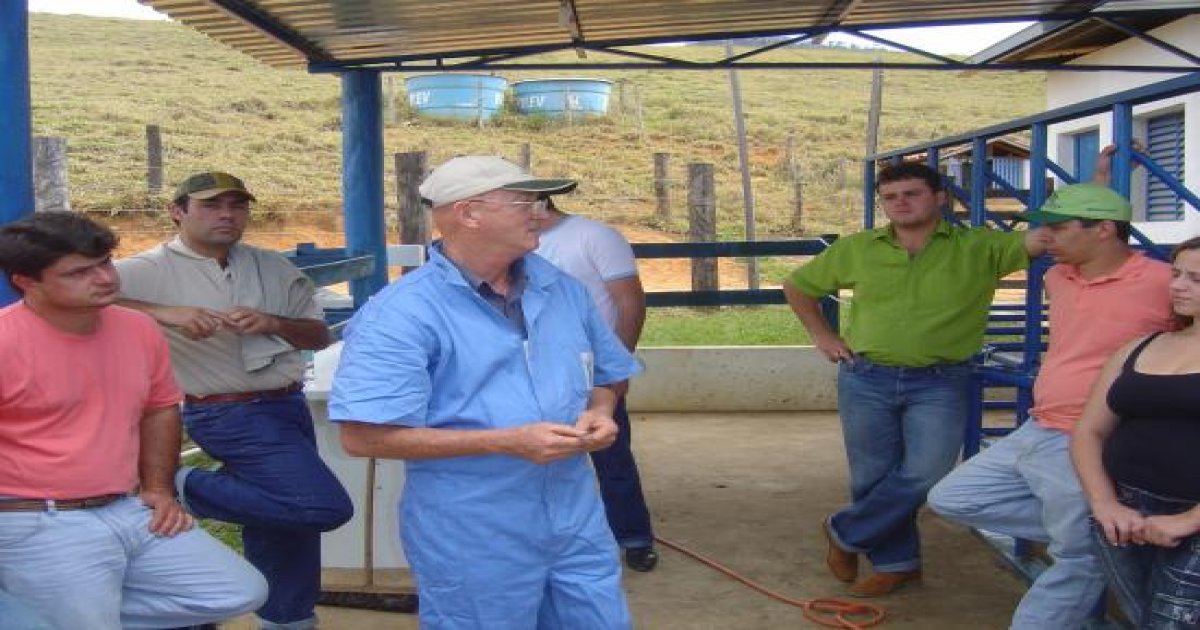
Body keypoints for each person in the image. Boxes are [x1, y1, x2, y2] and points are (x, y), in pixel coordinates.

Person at [329, 155, 642, 628]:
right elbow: (362, 437)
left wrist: (602, 409)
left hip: (573, 516)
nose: (540, 212)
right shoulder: (401, 314)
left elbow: (606, 374)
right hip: (473, 531)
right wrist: (505, 441)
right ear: (469, 214)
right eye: (525, 202)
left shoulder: (562, 289)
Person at [783, 161, 1045, 597]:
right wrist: (822, 334)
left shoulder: (982, 247)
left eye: (912, 193)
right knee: (871, 475)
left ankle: (845, 531)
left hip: (941, 380)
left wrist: (1097, 181)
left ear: (939, 197)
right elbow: (798, 286)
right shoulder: (859, 247)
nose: (900, 202)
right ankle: (897, 563)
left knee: (928, 473)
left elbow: (1047, 235)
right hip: (866, 377)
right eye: (891, 196)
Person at [0, 212, 267, 629]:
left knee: (238, 591)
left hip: (126, 506)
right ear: (27, 281)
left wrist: (160, 487)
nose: (105, 278)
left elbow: (159, 407)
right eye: (80, 272)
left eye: (105, 262)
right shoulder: (5, 342)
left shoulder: (137, 328)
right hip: (35, 517)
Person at [928, 183, 1175, 628]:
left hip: (1087, 434)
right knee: (952, 497)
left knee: (1076, 560)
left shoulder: (1161, 284)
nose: (1047, 238)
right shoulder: (1057, 277)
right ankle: (1104, 534)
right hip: (1039, 425)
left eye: (1058, 228)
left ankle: (1088, 543)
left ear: (1103, 230)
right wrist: (1099, 175)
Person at [115, 172, 353, 630]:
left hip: (286, 403)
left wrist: (272, 322)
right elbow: (79, 297)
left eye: (237, 206)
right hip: (225, 409)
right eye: (210, 205)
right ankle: (179, 484)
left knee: (284, 523)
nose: (226, 215)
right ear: (177, 211)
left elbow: (317, 334)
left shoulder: (272, 265)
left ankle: (288, 618)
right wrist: (166, 313)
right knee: (320, 506)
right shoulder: (144, 269)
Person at [1071, 236, 1200, 628]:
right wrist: (1104, 502)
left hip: (1190, 519)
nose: (1177, 285)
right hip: (1125, 516)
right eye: (1176, 273)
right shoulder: (1141, 346)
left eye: (1195, 278)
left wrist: (1190, 520)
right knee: (1145, 617)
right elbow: (1088, 432)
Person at [535, 197, 658, 572]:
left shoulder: (595, 237)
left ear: (540, 203)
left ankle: (634, 537)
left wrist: (618, 366)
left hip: (592, 370)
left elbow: (630, 303)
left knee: (612, 455)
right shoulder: (514, 245)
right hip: (536, 370)